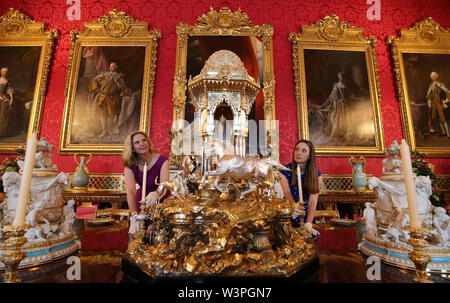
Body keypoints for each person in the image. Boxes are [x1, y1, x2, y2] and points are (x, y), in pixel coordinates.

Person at [122, 131, 170, 237]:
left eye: (144, 140)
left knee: (162, 235)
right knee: (142, 235)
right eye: (137, 142)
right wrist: (134, 214)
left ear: (148, 142)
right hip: (142, 201)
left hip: (162, 199)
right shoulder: (130, 166)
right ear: (133, 148)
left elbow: (164, 184)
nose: (142, 144)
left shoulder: (162, 161)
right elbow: (130, 191)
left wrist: (156, 193)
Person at [279, 140, 322, 236]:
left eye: (303, 151)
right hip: (289, 214)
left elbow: (313, 200)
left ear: (309, 156)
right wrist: (294, 206)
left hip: (307, 217)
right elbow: (286, 193)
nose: (298, 153)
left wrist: (309, 223)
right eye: (297, 149)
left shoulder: (316, 175)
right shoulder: (284, 171)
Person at [88, 62, 130, 138]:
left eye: (113, 66)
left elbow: (122, 88)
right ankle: (104, 131)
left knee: (112, 115)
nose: (111, 68)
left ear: (116, 68)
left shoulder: (118, 77)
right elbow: (95, 80)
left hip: (112, 98)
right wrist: (95, 88)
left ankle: (112, 132)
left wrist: (125, 95)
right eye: (110, 66)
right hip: (102, 97)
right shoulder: (104, 75)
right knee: (102, 115)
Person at [426, 71, 450, 138]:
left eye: (434, 76)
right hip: (434, 105)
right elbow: (429, 95)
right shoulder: (431, 85)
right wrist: (429, 102)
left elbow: (447, 92)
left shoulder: (440, 84)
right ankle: (443, 132)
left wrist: (446, 100)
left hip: (441, 104)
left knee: (444, 119)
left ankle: (448, 134)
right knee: (438, 119)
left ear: (436, 76)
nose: (433, 78)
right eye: (432, 77)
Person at [0, 67, 15, 137]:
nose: (4, 73)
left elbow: (10, 91)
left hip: (4, 99)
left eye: (5, 72)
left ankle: (3, 131)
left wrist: (11, 99)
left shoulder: (8, 81)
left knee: (4, 115)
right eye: (2, 72)